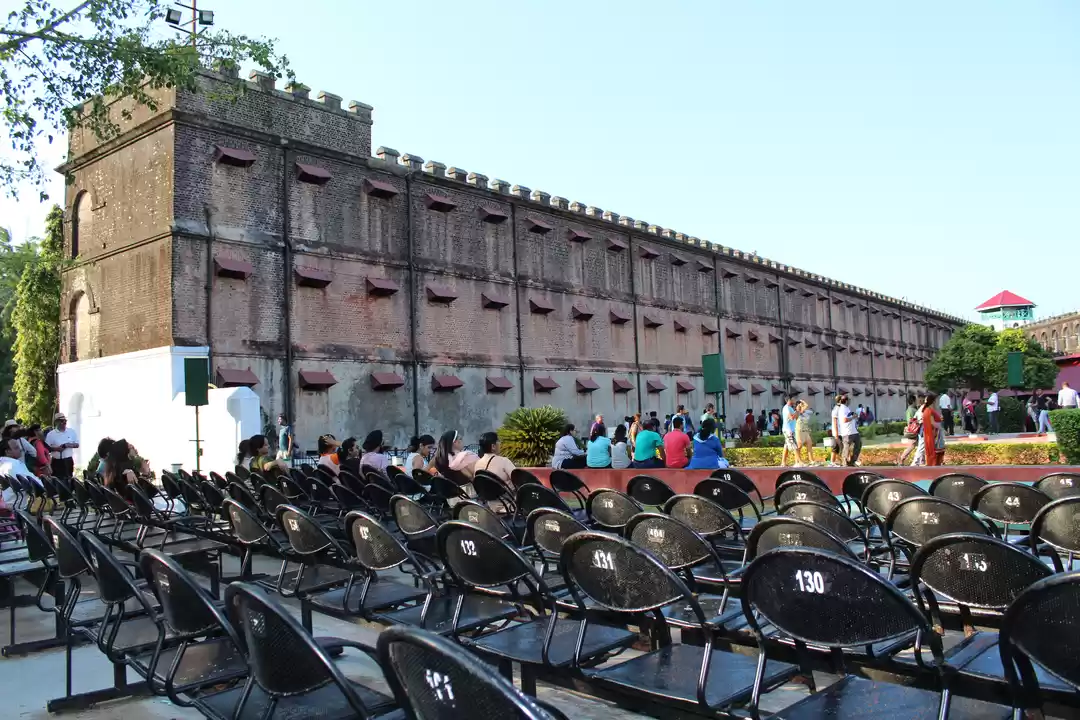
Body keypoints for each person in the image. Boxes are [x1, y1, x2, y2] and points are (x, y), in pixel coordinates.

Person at [45, 413, 79, 479]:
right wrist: (56, 449)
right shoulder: (51, 434)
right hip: (57, 461)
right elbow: (46, 448)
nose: (64, 422)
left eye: (65, 420)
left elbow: (77, 444)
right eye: (61, 421)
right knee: (57, 480)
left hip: (68, 460)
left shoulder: (71, 431)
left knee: (69, 479)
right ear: (57, 422)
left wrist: (67, 445)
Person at [834, 394, 861, 467]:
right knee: (846, 447)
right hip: (847, 432)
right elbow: (844, 420)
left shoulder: (846, 408)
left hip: (854, 431)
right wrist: (853, 417)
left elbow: (848, 416)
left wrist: (853, 414)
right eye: (849, 400)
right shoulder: (842, 409)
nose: (850, 401)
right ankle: (844, 462)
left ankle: (852, 461)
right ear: (846, 401)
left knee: (858, 445)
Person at [921, 393, 945, 466]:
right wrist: (941, 428)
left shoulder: (926, 410)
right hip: (934, 435)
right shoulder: (929, 410)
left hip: (930, 434)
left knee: (933, 453)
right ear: (934, 401)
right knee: (935, 454)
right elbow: (932, 423)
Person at [897, 395, 919, 466]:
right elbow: (910, 421)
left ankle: (902, 459)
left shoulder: (911, 409)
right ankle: (902, 458)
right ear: (913, 401)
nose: (916, 402)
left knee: (915, 445)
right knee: (913, 445)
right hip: (914, 430)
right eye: (915, 400)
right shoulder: (911, 410)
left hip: (914, 430)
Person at [780, 396, 799, 467]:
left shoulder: (790, 408)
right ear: (789, 400)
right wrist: (796, 411)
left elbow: (796, 417)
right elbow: (791, 417)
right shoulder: (786, 408)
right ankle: (798, 462)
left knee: (786, 446)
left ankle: (783, 462)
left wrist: (798, 410)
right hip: (788, 430)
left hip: (791, 429)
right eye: (793, 399)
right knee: (794, 445)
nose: (794, 400)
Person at [794, 401, 814, 466]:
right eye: (799, 406)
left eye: (801, 405)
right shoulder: (796, 413)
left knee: (809, 445)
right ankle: (797, 461)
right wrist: (799, 408)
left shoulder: (806, 412)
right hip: (799, 431)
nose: (801, 406)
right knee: (799, 447)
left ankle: (811, 460)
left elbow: (806, 405)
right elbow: (796, 416)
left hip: (806, 431)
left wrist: (802, 402)